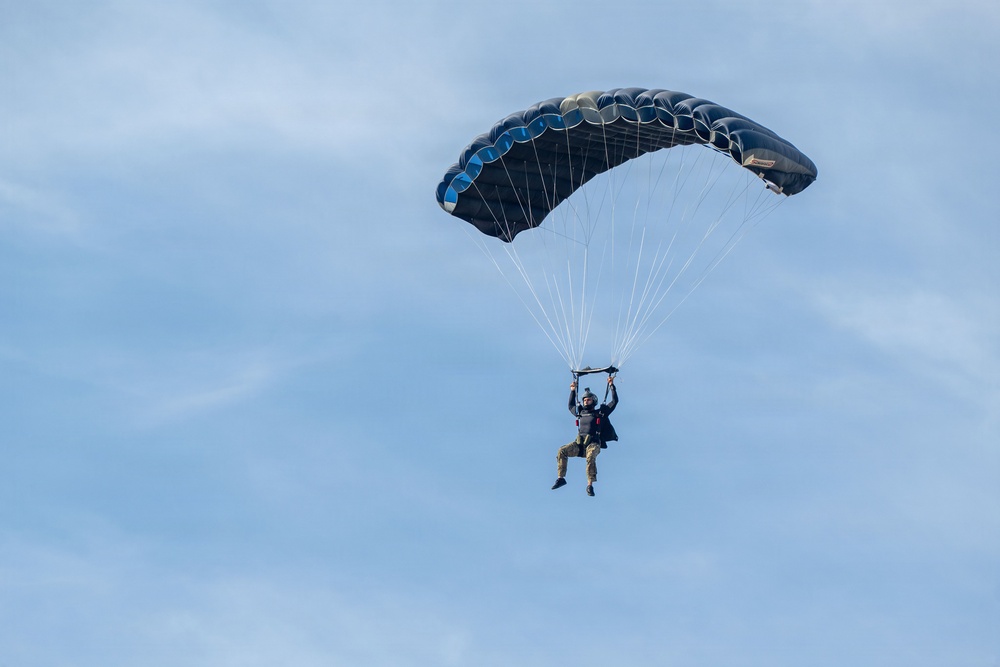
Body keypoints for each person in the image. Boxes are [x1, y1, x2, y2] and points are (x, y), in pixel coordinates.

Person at [552, 375, 618, 496]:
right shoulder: (580, 413)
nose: (586, 401)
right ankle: (561, 478)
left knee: (591, 456)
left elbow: (614, 402)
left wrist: (611, 385)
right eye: (585, 400)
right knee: (562, 451)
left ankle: (590, 485)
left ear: (594, 401)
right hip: (579, 445)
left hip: (593, 443)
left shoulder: (600, 413)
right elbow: (570, 406)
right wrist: (573, 390)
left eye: (589, 399)